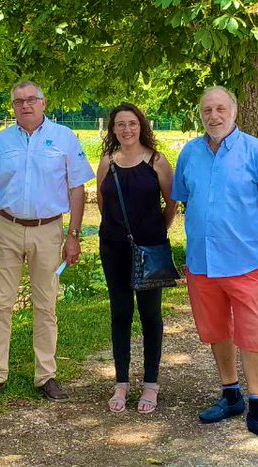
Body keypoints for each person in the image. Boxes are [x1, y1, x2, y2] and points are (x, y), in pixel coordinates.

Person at [171, 86, 258, 447]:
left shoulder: (257, 152)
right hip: (201, 263)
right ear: (201, 114)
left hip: (243, 262)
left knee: (252, 333)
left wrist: (253, 233)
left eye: (220, 108)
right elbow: (183, 199)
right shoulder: (190, 153)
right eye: (207, 110)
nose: (214, 115)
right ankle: (231, 395)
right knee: (216, 330)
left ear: (235, 111)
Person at [0, 81, 95, 402]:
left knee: (46, 304)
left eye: (31, 100)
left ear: (43, 103)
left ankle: (46, 375)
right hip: (7, 228)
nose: (25, 105)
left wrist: (74, 235)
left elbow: (77, 189)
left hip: (49, 230)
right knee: (1, 304)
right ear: (12, 106)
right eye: (18, 101)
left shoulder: (65, 139)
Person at [95, 103, 176, 414]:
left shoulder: (157, 161)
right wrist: (120, 232)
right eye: (120, 125)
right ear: (113, 129)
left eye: (132, 123)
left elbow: (171, 203)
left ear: (141, 126)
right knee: (120, 314)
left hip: (150, 248)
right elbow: (103, 202)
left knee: (150, 315)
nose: (126, 129)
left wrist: (155, 231)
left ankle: (151, 383)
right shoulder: (107, 162)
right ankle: (122, 382)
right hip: (113, 247)